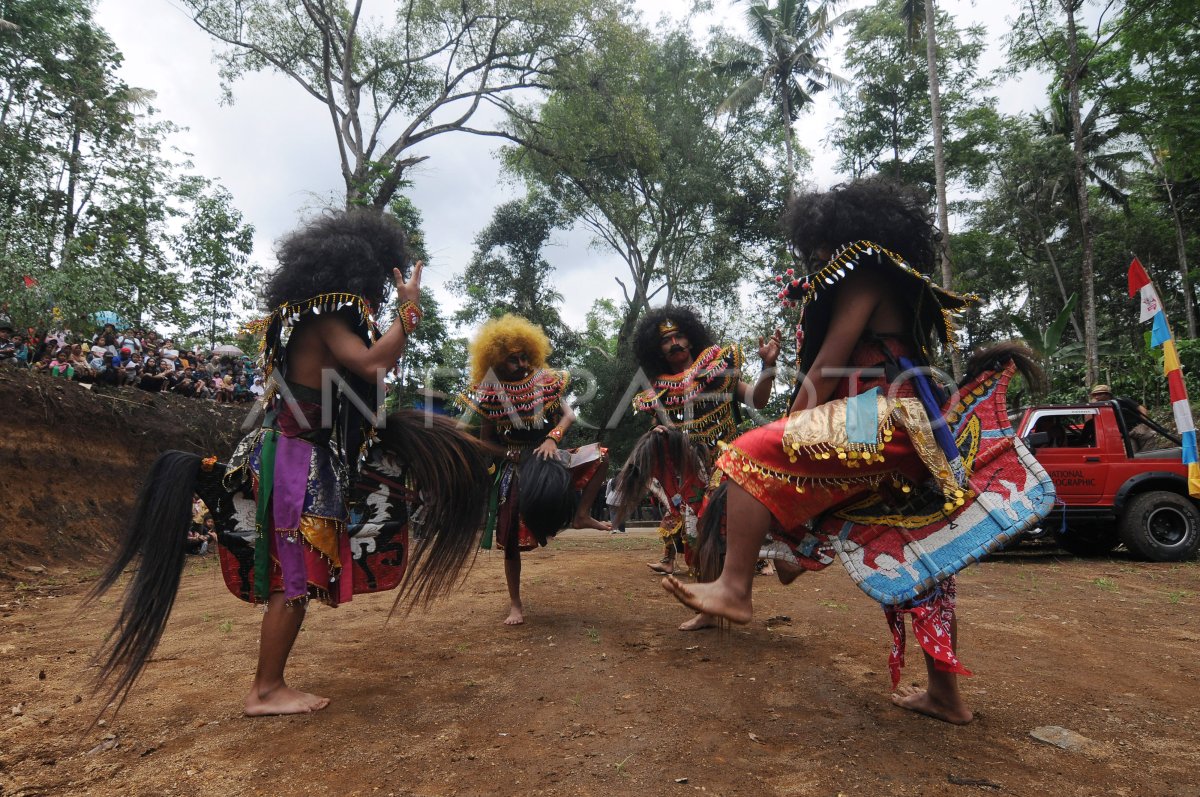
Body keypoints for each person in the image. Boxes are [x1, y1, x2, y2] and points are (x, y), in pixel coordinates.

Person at [89, 209, 491, 718]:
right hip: (297, 457)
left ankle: (269, 684)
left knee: (297, 573)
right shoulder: (326, 318)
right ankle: (265, 689)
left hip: (298, 453)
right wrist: (408, 312)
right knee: (293, 575)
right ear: (362, 272)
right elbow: (372, 364)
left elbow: (358, 389)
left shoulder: (306, 317)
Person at [663, 177, 1009, 725]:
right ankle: (946, 696)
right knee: (922, 561)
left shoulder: (864, 271)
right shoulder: (890, 276)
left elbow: (826, 369)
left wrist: (788, 426)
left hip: (883, 417)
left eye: (818, 247)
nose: (816, 258)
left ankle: (735, 587)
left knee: (747, 454)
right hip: (913, 426)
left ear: (843, 233)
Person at [617, 306, 780, 631]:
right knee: (695, 537)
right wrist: (658, 431)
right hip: (691, 471)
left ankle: (736, 595)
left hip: (732, 462)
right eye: (666, 340)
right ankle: (709, 610)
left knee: (727, 532)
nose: (674, 343)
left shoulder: (720, 369)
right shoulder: (659, 390)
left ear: (691, 337)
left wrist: (769, 366)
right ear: (657, 348)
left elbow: (757, 400)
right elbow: (657, 428)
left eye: (678, 335)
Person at [458, 314, 612, 626]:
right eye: (513, 360)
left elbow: (568, 415)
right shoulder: (490, 397)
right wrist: (510, 453)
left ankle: (581, 515)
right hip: (518, 469)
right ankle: (515, 603)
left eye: (525, 356)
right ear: (498, 363)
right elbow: (482, 442)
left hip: (551, 456)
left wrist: (553, 440)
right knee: (511, 540)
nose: (522, 364)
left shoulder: (547, 382)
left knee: (601, 456)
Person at [1088, 384, 1158, 453]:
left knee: (1149, 451)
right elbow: (1089, 421)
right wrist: (1091, 406)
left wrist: (1144, 424)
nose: (1096, 397)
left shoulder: (1122, 401)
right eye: (1094, 395)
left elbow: (1142, 409)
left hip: (1137, 428)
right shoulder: (1099, 407)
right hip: (1124, 434)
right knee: (1130, 454)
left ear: (1107, 394)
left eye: (1099, 394)